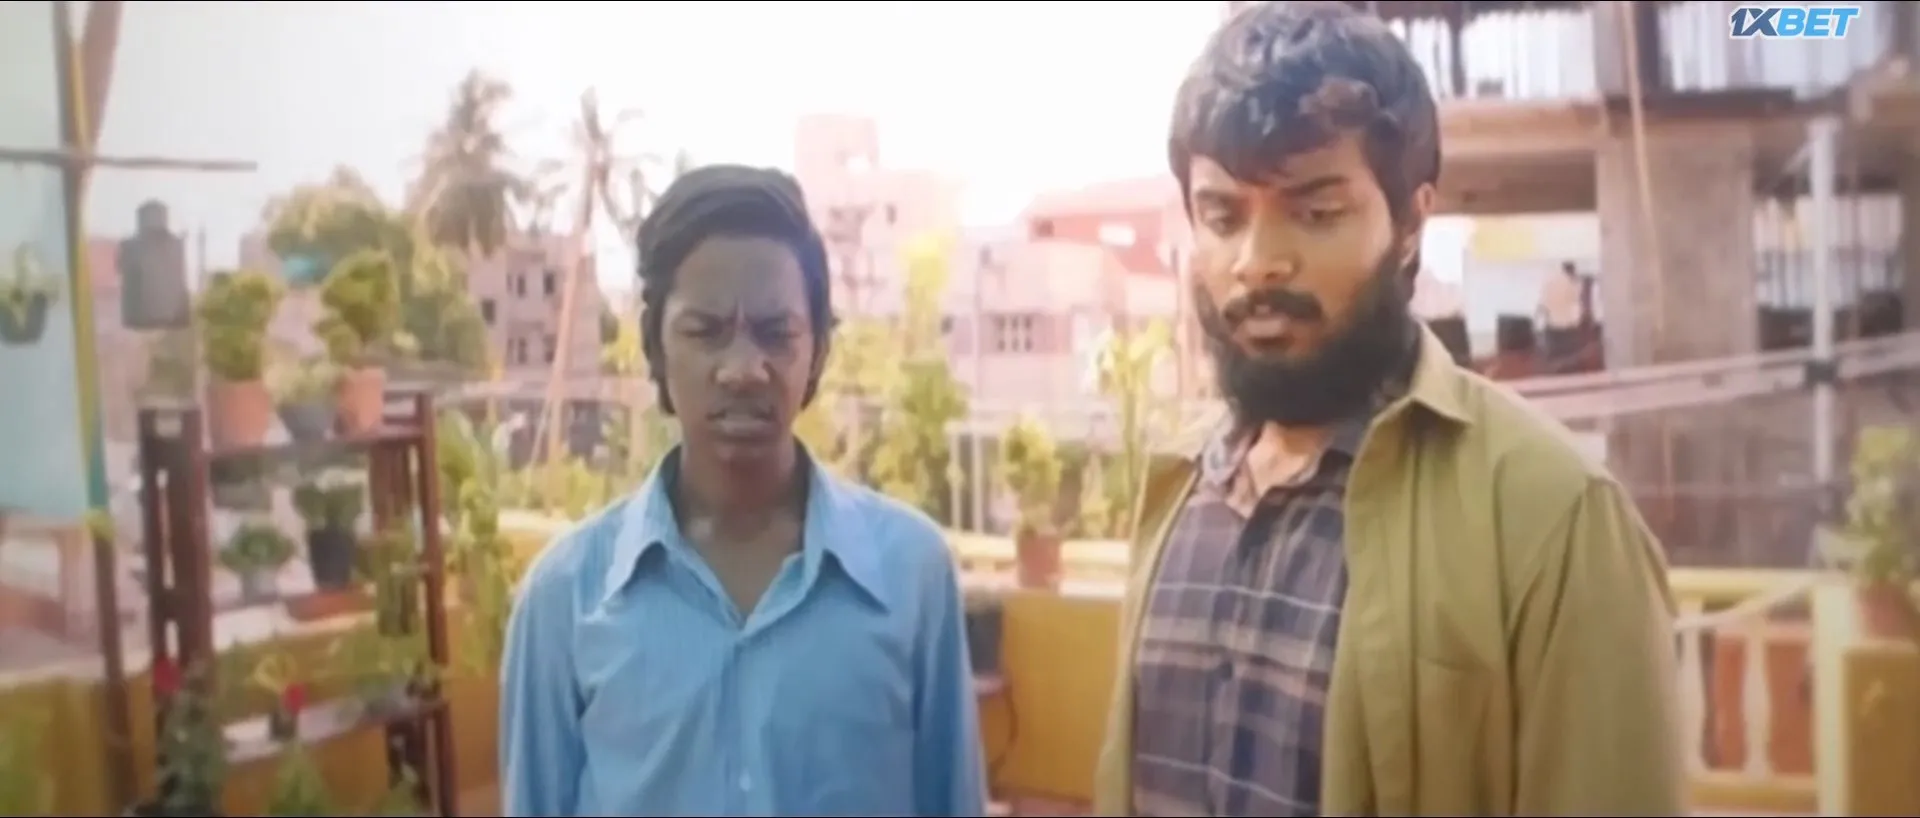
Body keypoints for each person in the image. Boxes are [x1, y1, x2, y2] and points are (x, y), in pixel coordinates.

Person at [1094, 3, 1684, 816]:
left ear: (1410, 223)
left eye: (1316, 212)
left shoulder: (1556, 520)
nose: (1257, 263)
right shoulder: (1176, 489)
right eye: (1222, 216)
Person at [499, 165, 986, 817]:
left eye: (776, 332)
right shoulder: (565, 597)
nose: (743, 369)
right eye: (705, 331)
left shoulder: (911, 574)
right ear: (655, 348)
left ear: (818, 351)